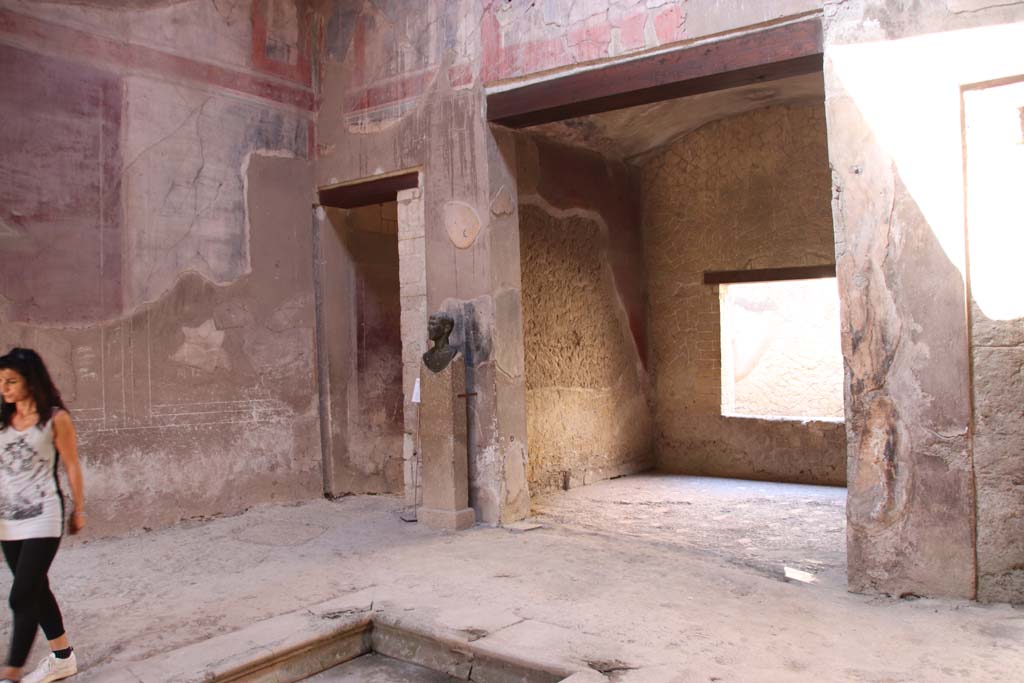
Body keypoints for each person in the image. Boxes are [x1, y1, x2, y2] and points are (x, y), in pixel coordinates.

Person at [0, 349, 84, 683]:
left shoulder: (54, 419)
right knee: (36, 587)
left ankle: (11, 674)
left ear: (30, 381)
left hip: (43, 515)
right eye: (0, 382)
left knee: (21, 594)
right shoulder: (2, 419)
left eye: (11, 382)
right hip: (7, 519)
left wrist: (79, 508)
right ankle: (63, 656)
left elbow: (72, 465)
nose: (4, 389)